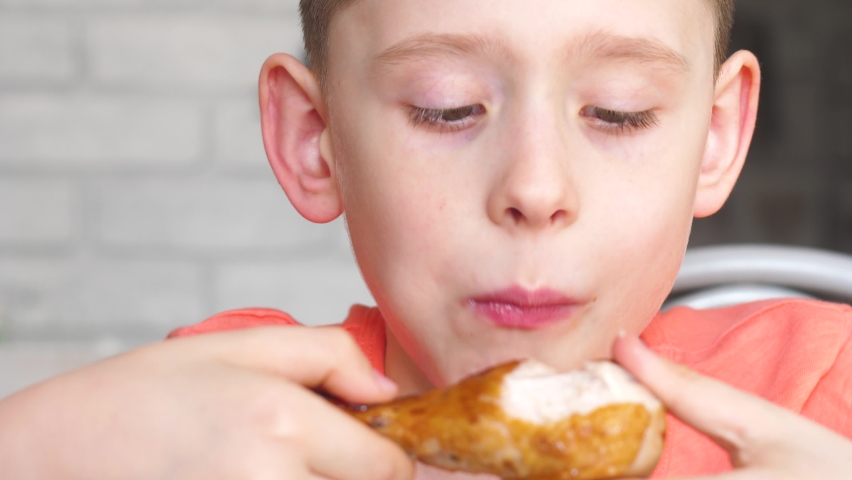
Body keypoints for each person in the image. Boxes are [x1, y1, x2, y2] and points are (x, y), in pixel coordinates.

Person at [1, 0, 850, 478]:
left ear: (713, 137)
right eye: (447, 108)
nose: (535, 189)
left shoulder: (821, 388)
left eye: (618, 111)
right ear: (313, 137)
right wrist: (31, 446)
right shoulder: (224, 414)